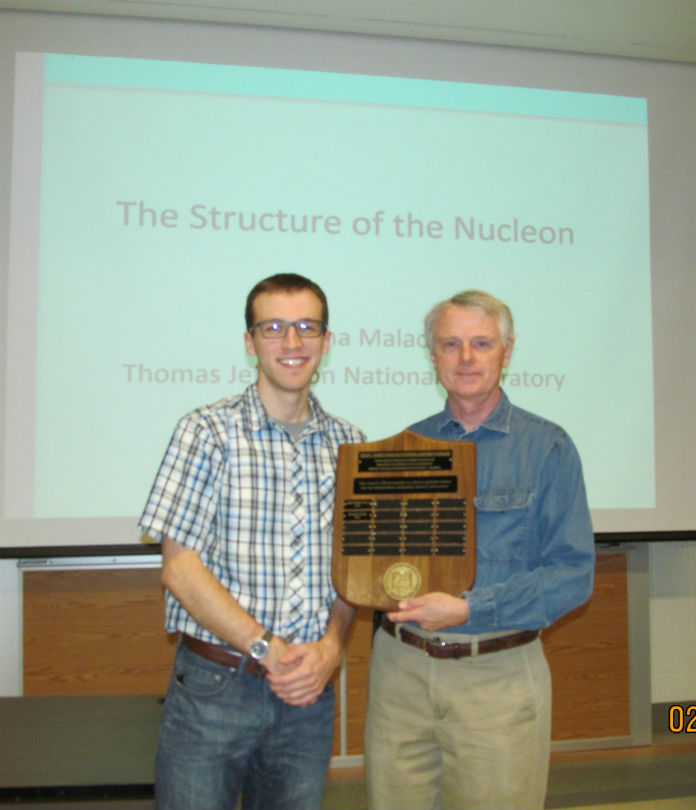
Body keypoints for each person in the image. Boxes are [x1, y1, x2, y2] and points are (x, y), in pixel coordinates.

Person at [139, 273, 365, 810]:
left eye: (307, 327)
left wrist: (331, 649)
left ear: (326, 342)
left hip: (308, 694)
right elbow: (180, 568)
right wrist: (267, 648)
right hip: (217, 689)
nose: (292, 343)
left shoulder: (350, 444)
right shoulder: (205, 431)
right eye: (274, 328)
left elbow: (353, 570)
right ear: (250, 342)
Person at [364, 290, 595, 810]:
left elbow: (572, 574)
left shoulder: (549, 448)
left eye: (481, 343)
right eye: (451, 344)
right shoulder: (401, 449)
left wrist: (470, 608)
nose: (466, 357)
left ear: (506, 353)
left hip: (497, 675)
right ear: (433, 357)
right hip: (399, 674)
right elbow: (377, 561)